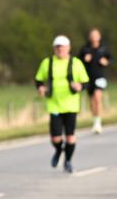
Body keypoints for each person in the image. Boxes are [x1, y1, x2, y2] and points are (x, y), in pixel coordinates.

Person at [34, 35, 89, 174]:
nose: (60, 50)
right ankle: (59, 150)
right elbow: (38, 79)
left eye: (62, 47)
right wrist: (40, 88)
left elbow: (85, 82)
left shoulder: (76, 63)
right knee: (56, 137)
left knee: (70, 136)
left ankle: (68, 161)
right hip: (54, 104)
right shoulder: (47, 63)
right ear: (54, 49)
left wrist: (79, 87)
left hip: (71, 105)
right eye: (57, 47)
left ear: (68, 48)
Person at [78, 28, 112, 134]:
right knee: (92, 102)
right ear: (89, 37)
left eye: (96, 35)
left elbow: (110, 59)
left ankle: (99, 123)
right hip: (88, 78)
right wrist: (84, 59)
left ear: (99, 36)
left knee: (97, 98)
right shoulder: (85, 49)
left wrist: (106, 62)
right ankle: (95, 122)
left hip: (100, 77)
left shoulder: (104, 48)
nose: (94, 37)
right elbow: (77, 61)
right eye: (92, 35)